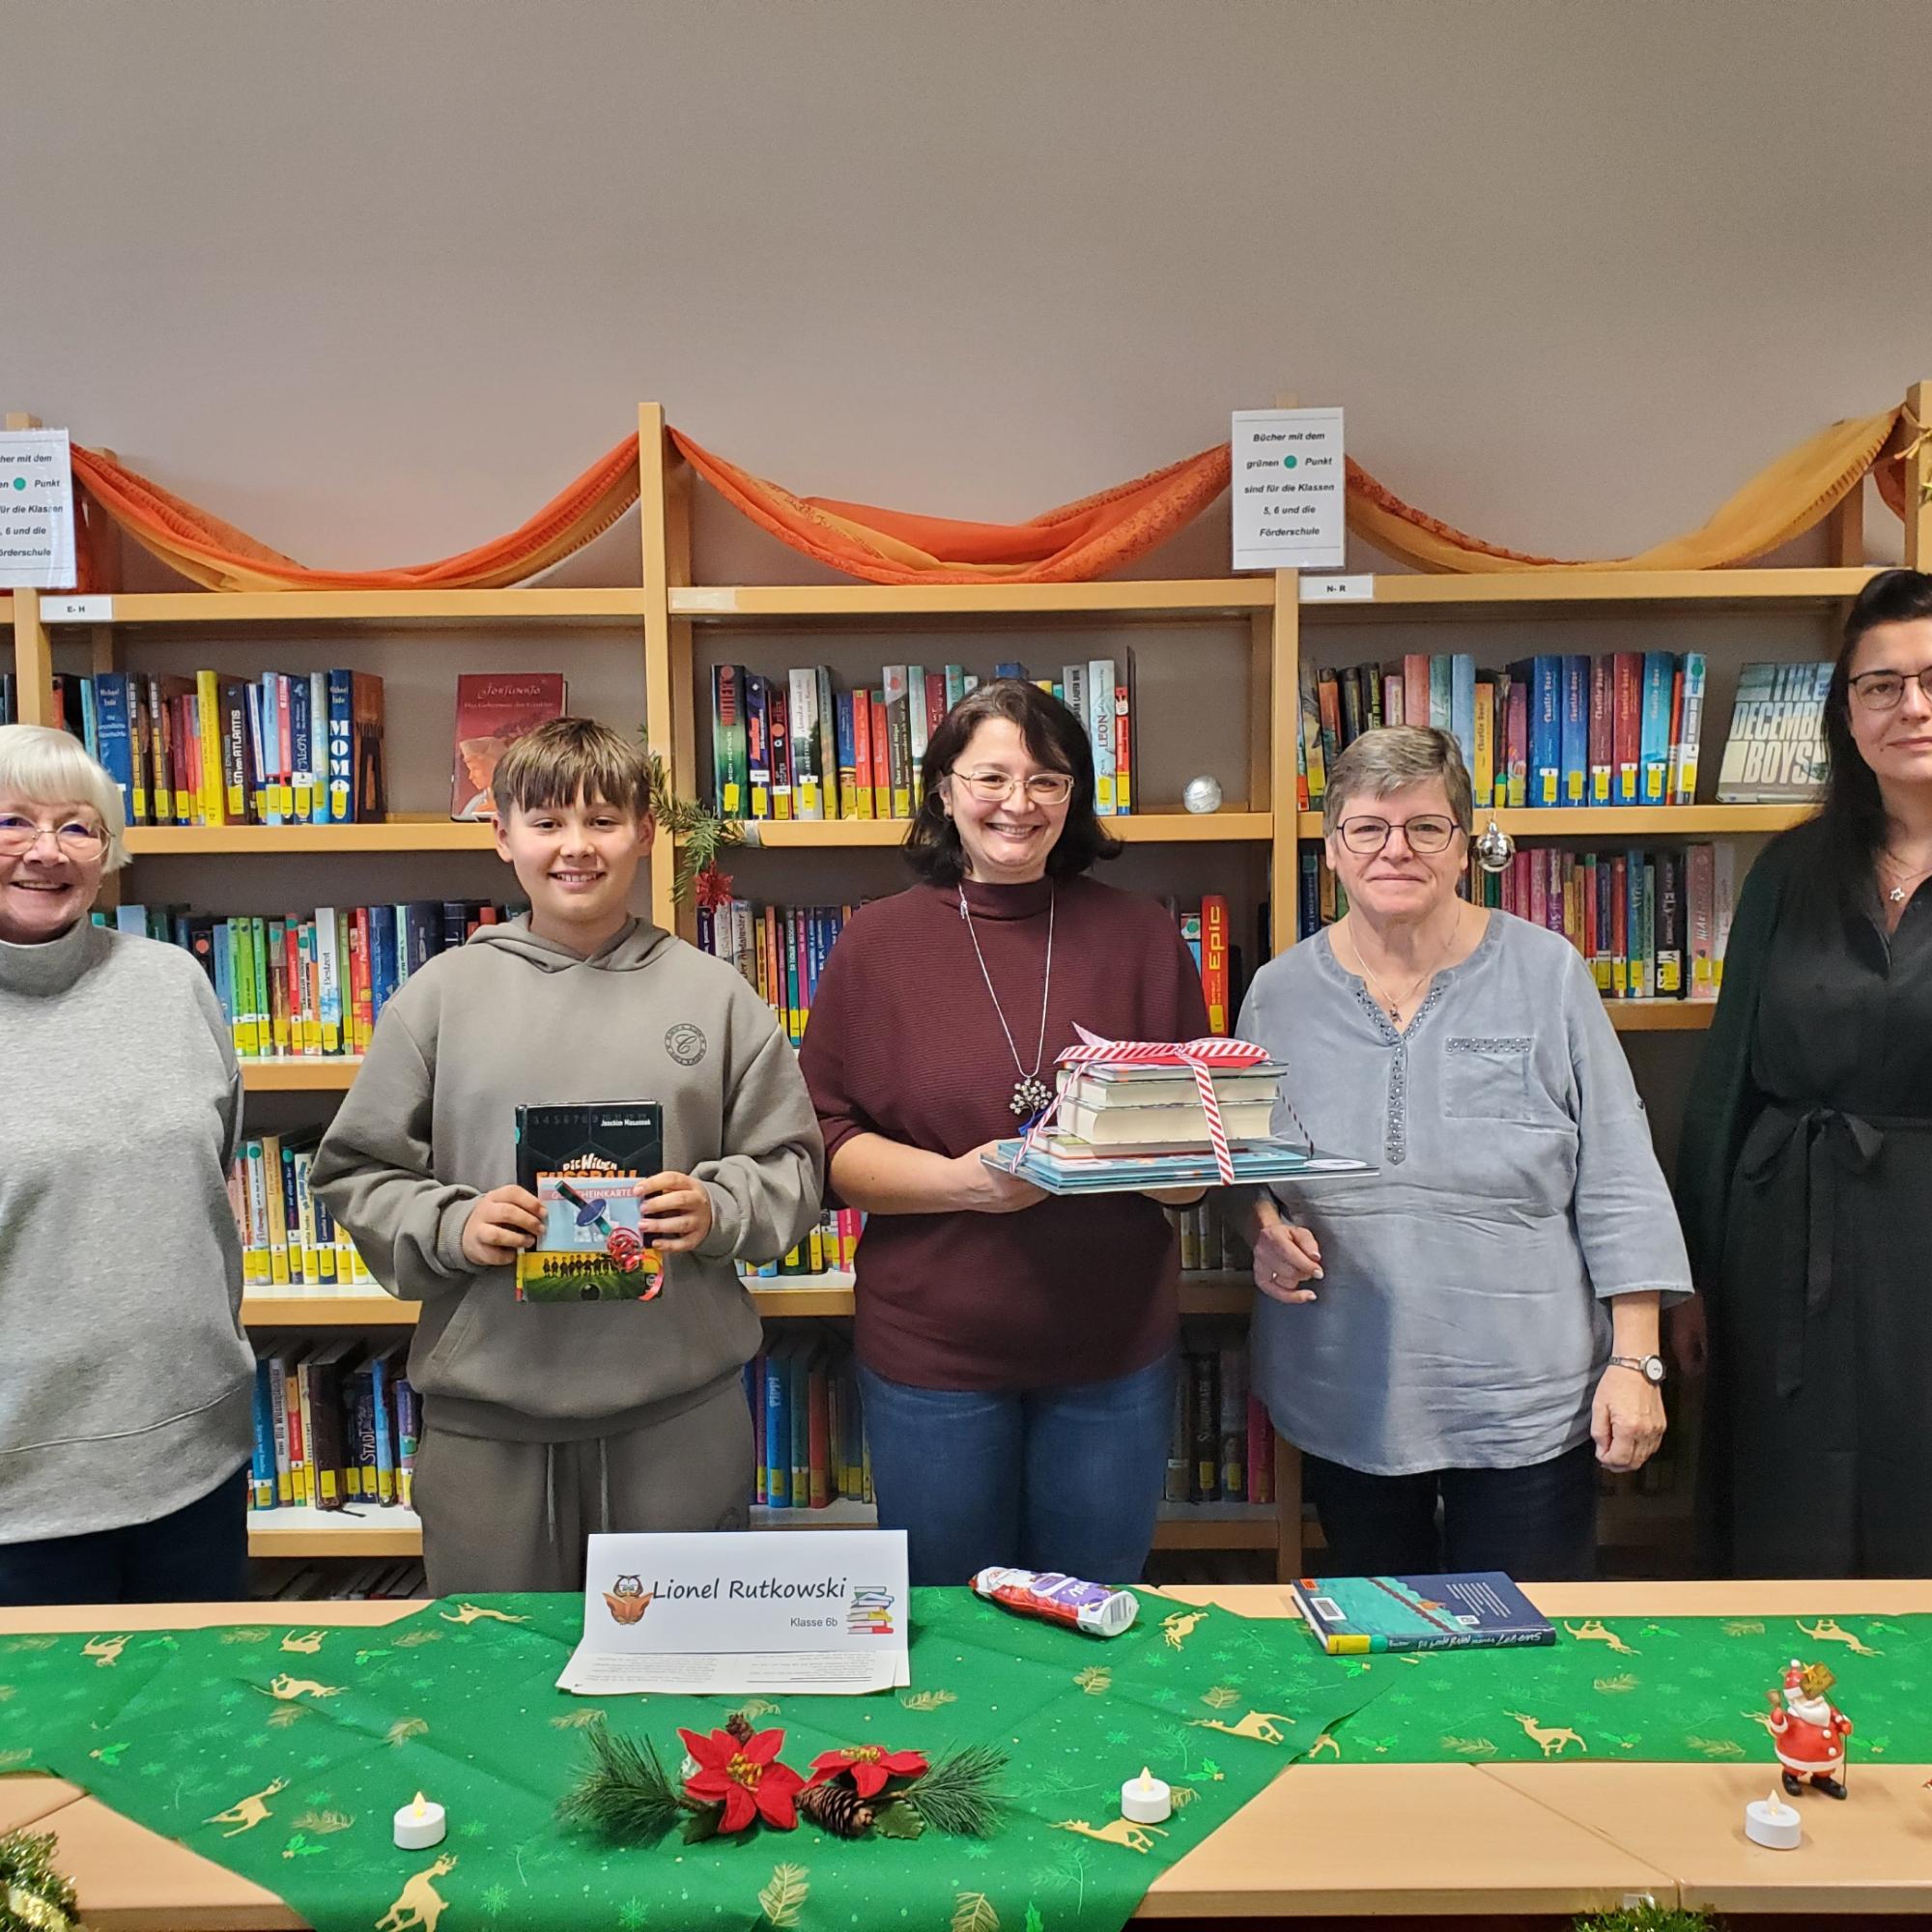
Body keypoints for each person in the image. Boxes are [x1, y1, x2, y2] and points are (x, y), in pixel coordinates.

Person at [311, 718, 823, 1593]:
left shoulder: (717, 994)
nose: (576, 849)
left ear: (646, 833)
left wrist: (717, 1208)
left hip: (680, 1421)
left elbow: (794, 1168)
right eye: (547, 824)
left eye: (603, 821)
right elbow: (356, 1174)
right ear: (502, 835)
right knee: (493, 1694)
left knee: (680, 1694)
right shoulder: (439, 998)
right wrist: (452, 1222)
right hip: (489, 1425)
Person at [1238, 725, 1690, 1581]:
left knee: (1522, 1667)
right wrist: (1259, 1223)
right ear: (1332, 848)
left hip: (1529, 1401)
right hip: (1347, 1393)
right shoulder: (1278, 993)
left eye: (1425, 828)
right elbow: (1247, 1168)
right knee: (1383, 1662)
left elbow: (1621, 1175)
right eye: (1368, 828)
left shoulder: (1547, 972)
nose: (1394, 850)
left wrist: (1636, 1358)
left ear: (1465, 846)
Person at [798, 679, 1208, 1587]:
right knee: (950, 1631)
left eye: (1048, 781)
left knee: (1096, 1620)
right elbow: (825, 1142)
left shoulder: (1142, 937)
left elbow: (1194, 1162)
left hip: (1112, 1354)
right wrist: (961, 1184)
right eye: (991, 776)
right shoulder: (877, 943)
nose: (1018, 804)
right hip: (932, 1357)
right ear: (944, 789)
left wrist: (1142, 1163)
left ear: (1076, 797)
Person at [1675, 567, 1932, 1577]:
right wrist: (1687, 1271)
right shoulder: (1789, 869)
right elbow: (1724, 1073)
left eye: (1928, 677)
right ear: (1846, 712)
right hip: (1780, 1240)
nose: (1909, 704)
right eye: (1879, 684)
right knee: (1786, 1495)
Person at [0, 724, 253, 1605]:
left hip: (196, 1458)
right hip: (19, 1497)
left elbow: (207, 1168)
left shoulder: (171, 981)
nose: (45, 851)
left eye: (77, 827)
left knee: (201, 1733)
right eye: (12, 823)